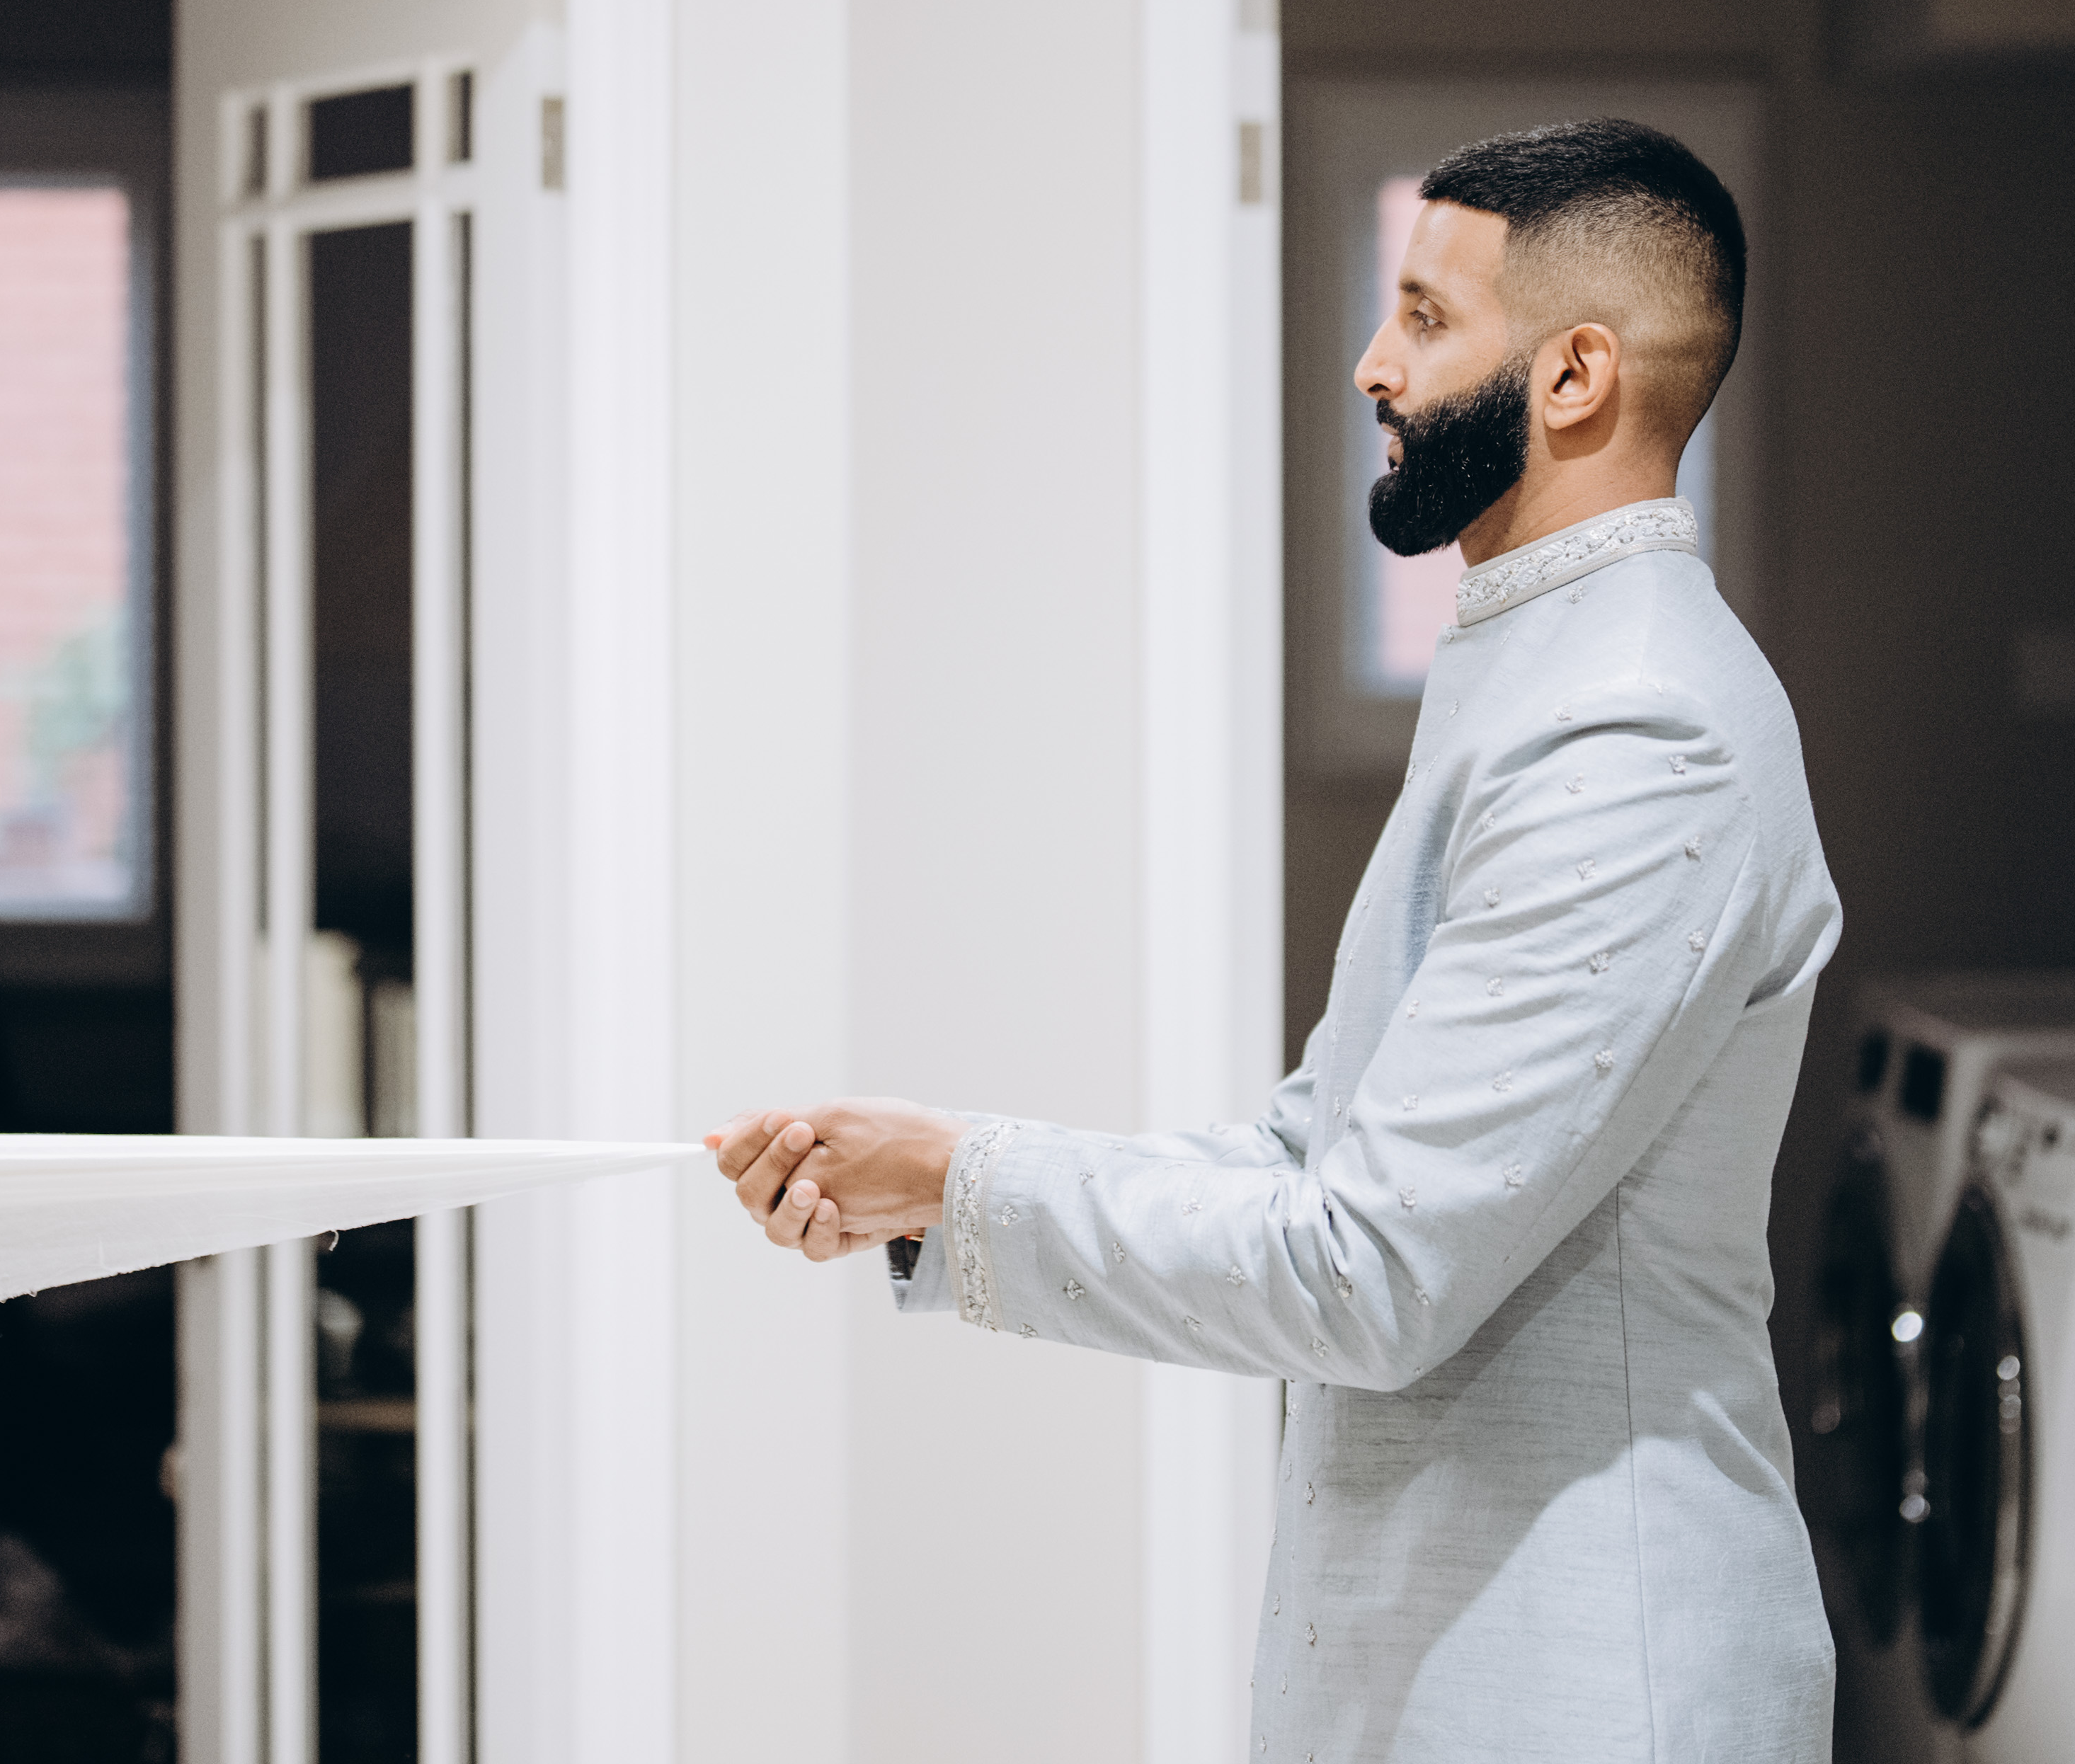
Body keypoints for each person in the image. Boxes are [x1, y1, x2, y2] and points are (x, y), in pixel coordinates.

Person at [711, 119, 1841, 1761]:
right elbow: (1309, 1155)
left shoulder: (1638, 729)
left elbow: (1369, 1273)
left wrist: (962, 1180)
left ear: (1572, 375)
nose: (1374, 364)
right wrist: (927, 1183)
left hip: (1588, 1675)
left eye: (1426, 318)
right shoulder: (1537, 670)